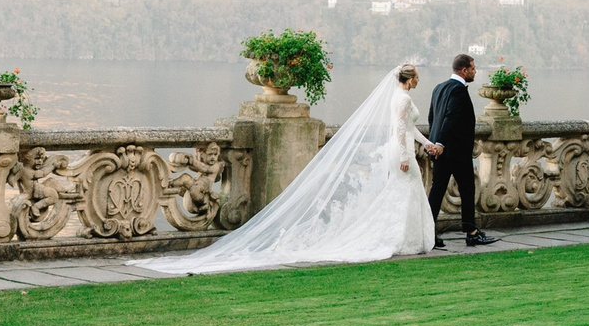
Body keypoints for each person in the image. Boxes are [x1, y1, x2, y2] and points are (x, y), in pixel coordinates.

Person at [145, 62, 441, 274]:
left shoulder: (401, 97)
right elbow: (399, 131)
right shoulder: (401, 99)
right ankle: (400, 238)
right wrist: (404, 155)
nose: (418, 81)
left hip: (401, 150)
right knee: (403, 193)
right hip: (399, 152)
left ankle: (407, 238)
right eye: (416, 77)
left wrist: (427, 144)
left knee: (404, 193)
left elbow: (408, 128)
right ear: (409, 78)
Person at [426, 52, 495, 249]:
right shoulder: (458, 90)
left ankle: (428, 232)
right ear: (464, 70)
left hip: (441, 150)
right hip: (455, 150)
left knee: (437, 190)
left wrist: (435, 143)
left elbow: (433, 119)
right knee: (467, 188)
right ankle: (471, 233)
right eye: (473, 68)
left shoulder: (438, 88)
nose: (475, 71)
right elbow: (450, 118)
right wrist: (440, 143)